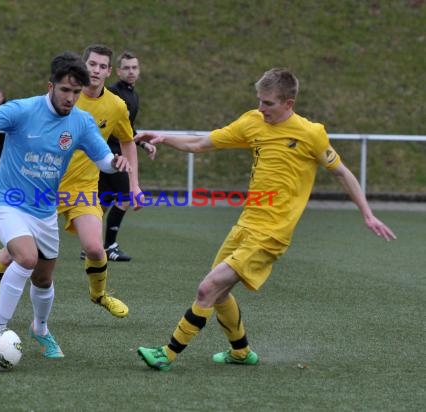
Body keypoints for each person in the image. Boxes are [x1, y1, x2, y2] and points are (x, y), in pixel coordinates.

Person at [135, 68, 397, 371]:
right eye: (259, 100)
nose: (261, 108)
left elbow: (341, 172)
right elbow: (202, 143)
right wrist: (165, 138)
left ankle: (167, 354)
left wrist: (367, 213)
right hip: (246, 224)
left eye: (269, 103)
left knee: (207, 289)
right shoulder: (253, 122)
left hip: (272, 234)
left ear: (289, 103)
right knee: (218, 296)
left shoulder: (310, 134)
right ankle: (241, 352)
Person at [0, 51, 131, 358]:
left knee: (43, 276)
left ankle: (40, 328)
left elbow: (103, 160)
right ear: (50, 86)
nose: (71, 98)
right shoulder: (22, 110)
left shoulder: (81, 122)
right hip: (5, 201)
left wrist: (115, 163)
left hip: (43, 209)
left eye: (76, 92)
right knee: (25, 257)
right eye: (65, 90)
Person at [96, 51, 156, 261]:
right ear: (118, 71)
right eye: (127, 68)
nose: (131, 71)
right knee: (125, 197)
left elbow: (126, 128)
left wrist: (142, 143)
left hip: (117, 153)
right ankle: (109, 246)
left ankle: (91, 245)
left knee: (103, 201)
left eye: (135, 67)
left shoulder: (132, 94)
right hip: (111, 156)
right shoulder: (112, 93)